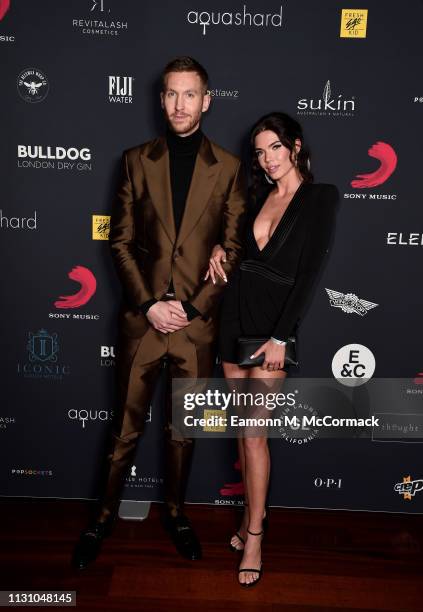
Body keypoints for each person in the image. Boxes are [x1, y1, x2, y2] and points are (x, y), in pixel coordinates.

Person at [72, 56, 246, 569]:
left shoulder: (230, 168)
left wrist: (190, 308)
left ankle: (175, 513)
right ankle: (101, 520)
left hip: (196, 329)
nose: (179, 104)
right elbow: (120, 242)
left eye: (190, 94)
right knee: (124, 431)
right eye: (171, 93)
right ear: (160, 97)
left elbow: (233, 249)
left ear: (207, 100)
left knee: (182, 433)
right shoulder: (134, 160)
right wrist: (149, 304)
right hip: (142, 323)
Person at [206, 112, 339, 586]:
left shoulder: (320, 198)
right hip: (235, 317)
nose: (267, 159)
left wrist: (282, 337)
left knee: (257, 436)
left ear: (296, 146)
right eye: (260, 152)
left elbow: (308, 276)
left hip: (272, 331)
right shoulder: (259, 195)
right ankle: (246, 520)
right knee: (244, 435)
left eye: (275, 148)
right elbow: (245, 255)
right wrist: (222, 252)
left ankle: (256, 535)